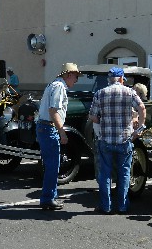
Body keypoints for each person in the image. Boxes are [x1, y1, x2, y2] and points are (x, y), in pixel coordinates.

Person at [88, 67, 146, 214]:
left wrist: (103, 120)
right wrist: (139, 128)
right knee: (124, 174)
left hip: (106, 140)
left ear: (109, 79)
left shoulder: (100, 93)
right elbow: (142, 108)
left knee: (105, 173)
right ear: (121, 79)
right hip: (124, 140)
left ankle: (105, 205)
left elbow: (93, 117)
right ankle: (122, 206)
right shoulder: (130, 92)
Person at [36, 63, 81, 210]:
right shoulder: (59, 87)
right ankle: (48, 198)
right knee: (53, 166)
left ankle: (50, 196)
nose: (76, 80)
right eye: (75, 76)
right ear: (68, 74)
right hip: (49, 127)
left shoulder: (53, 85)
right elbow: (53, 111)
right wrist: (62, 132)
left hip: (44, 127)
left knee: (51, 164)